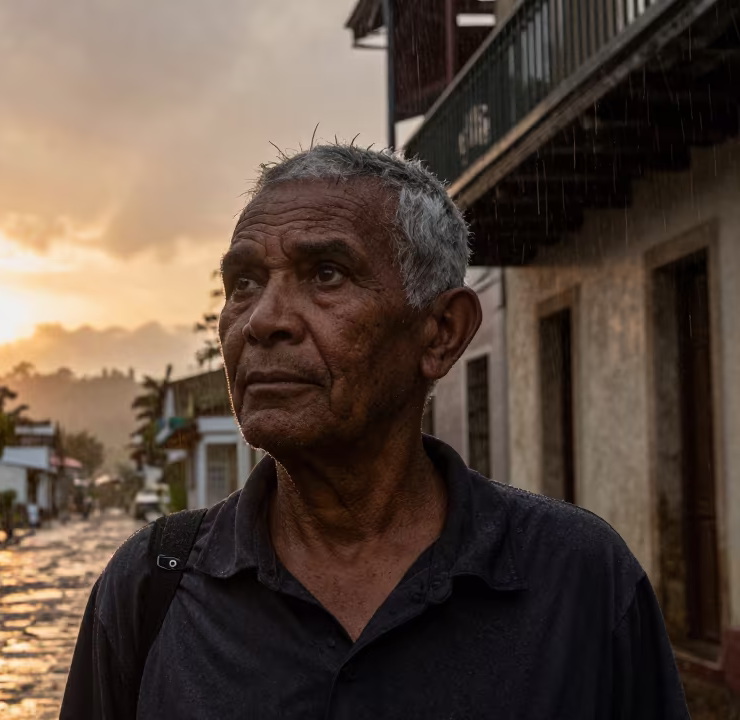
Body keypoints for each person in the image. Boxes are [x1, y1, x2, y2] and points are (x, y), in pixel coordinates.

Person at [61, 145, 688, 718]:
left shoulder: (580, 582)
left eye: (327, 274)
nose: (263, 321)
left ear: (440, 332)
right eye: (243, 284)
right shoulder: (152, 588)